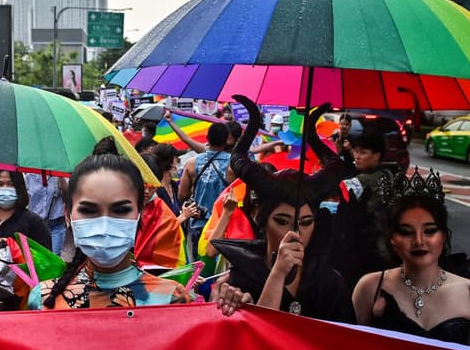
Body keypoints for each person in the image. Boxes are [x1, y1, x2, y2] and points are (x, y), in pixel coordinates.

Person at [0, 149, 193, 327]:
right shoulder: (44, 298)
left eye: (120, 210)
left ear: (139, 213)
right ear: (68, 216)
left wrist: (231, 308)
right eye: (89, 210)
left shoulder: (173, 299)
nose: (104, 222)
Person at [212, 96, 355, 323]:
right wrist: (276, 275)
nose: (295, 234)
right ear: (260, 216)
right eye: (282, 221)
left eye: (306, 222)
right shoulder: (237, 281)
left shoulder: (331, 283)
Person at [354, 176, 470, 348]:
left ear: (444, 236)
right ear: (392, 239)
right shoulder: (370, 287)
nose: (419, 241)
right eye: (406, 232)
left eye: (430, 231)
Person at [333, 132, 395, 289]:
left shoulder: (367, 179)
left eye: (363, 152)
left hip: (370, 245)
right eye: (356, 151)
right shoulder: (386, 173)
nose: (357, 156)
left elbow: (339, 189)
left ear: (376, 156)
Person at [178, 124, 234, 260]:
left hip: (198, 223)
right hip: (224, 224)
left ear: (207, 138)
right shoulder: (233, 164)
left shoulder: (191, 163)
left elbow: (182, 195)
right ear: (227, 139)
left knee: (198, 268)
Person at [0, 169, 51, 257]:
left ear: (19, 187)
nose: (5, 188)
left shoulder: (34, 223)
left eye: (10, 184)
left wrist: (16, 252)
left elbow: (47, 262)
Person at [152, 143, 198, 224]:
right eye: (177, 159)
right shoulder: (155, 191)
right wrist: (183, 216)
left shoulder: (173, 185)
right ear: (171, 164)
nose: (179, 162)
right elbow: (162, 226)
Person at [25, 172, 68, 256]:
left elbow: (67, 196)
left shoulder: (59, 175)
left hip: (56, 225)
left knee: (54, 257)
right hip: (36, 226)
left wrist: (60, 178)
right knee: (37, 257)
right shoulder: (29, 176)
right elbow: (24, 199)